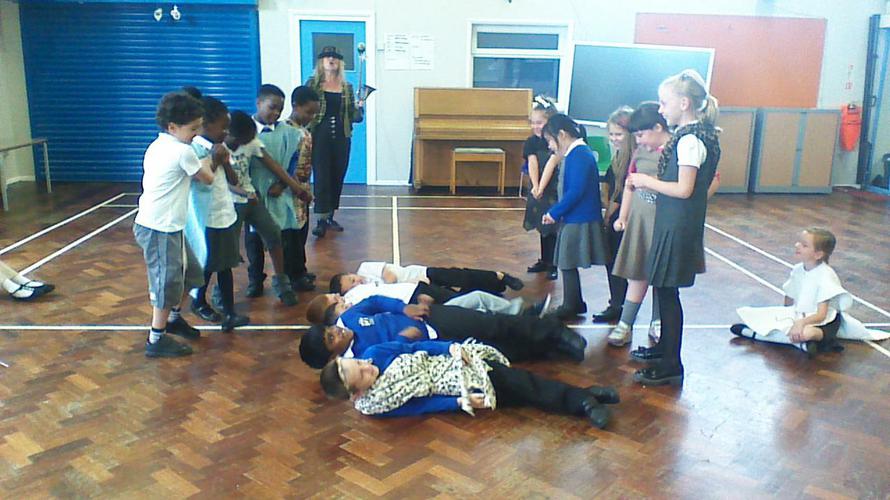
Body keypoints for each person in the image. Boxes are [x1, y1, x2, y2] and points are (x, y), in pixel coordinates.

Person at [626, 69, 720, 385]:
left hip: (677, 224)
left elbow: (684, 189)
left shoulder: (691, 140)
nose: (661, 109)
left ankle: (671, 363)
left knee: (668, 293)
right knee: (664, 289)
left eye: (665, 103)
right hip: (675, 221)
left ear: (684, 103)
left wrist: (645, 181)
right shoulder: (695, 134)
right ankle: (664, 349)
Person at [320, 340, 618, 428]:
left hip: (459, 364)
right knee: (523, 394)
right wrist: (459, 403)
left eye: (359, 362)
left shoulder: (375, 352)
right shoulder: (376, 404)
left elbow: (415, 347)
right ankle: (586, 394)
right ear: (358, 393)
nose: (367, 365)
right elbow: (420, 404)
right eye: (362, 374)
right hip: (456, 387)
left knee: (523, 383)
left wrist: (450, 348)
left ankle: (584, 404)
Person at [133, 91, 214, 358]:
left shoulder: (159, 144)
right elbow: (208, 178)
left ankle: (173, 319)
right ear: (172, 127)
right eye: (192, 129)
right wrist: (211, 156)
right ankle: (156, 340)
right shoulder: (182, 151)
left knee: (192, 273)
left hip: (170, 227)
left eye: (199, 127)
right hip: (159, 228)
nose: (196, 133)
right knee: (166, 283)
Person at [299, 294, 587, 368]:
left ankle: (555, 331)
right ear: (333, 356)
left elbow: (375, 301)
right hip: (438, 349)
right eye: (332, 339)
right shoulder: (361, 358)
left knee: (495, 324)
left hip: (434, 319)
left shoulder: (350, 317)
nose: (337, 332)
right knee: (502, 352)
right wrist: (402, 340)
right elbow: (393, 363)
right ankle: (552, 349)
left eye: (331, 329)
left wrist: (404, 308)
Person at [732, 228, 890, 354]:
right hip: (800, 316)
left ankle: (753, 334)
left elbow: (821, 315)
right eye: (798, 242)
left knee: (806, 333)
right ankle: (802, 345)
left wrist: (800, 323)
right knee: (757, 316)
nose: (797, 245)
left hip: (823, 322)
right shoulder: (797, 269)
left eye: (804, 245)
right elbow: (789, 295)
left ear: (818, 254)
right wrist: (784, 317)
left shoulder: (825, 275)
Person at [184, 95, 250, 332]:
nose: (226, 132)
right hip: (207, 218)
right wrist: (214, 160)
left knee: (225, 263)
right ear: (205, 125)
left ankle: (228, 311)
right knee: (209, 264)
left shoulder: (219, 148)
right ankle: (200, 301)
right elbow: (200, 180)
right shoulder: (193, 149)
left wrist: (224, 160)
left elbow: (233, 180)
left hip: (225, 214)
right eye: (223, 127)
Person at [245, 84, 316, 299]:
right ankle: (255, 279)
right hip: (254, 193)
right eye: (272, 107)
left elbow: (292, 159)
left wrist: (283, 185)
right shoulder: (246, 131)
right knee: (254, 239)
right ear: (259, 103)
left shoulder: (289, 132)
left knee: (283, 237)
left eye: (279, 109)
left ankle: (284, 280)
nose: (276, 113)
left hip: (280, 191)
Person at [607, 103, 669, 347]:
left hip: (663, 222)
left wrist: (649, 181)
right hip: (640, 221)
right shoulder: (639, 152)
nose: (639, 141)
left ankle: (658, 320)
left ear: (658, 127)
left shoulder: (674, 152)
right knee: (637, 273)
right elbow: (630, 185)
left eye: (641, 135)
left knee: (661, 275)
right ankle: (626, 323)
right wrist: (623, 217)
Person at [222, 111, 300, 306]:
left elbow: (274, 166)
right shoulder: (219, 149)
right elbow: (220, 182)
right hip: (229, 202)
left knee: (273, 234)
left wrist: (295, 188)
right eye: (245, 140)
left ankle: (282, 284)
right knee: (228, 250)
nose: (249, 143)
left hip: (251, 199)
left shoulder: (251, 142)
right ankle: (221, 293)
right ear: (231, 134)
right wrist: (241, 192)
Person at [541, 114, 609, 320]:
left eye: (550, 140)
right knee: (566, 260)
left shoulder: (580, 154)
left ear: (562, 135)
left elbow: (576, 191)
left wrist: (554, 212)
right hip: (574, 216)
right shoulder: (575, 153)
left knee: (566, 260)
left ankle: (571, 304)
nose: (550, 146)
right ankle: (575, 302)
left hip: (580, 217)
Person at [306, 46, 364, 237]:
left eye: (335, 57)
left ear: (340, 63)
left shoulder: (347, 87)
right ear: (321, 62)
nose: (331, 60)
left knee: (337, 175)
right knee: (322, 176)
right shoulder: (312, 84)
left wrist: (359, 107)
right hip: (319, 135)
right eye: (327, 57)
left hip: (341, 136)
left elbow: (354, 117)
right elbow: (304, 108)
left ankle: (330, 215)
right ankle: (321, 219)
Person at [591, 106, 634, 324]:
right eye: (611, 134)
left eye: (619, 134)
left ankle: (620, 305)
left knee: (618, 261)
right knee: (613, 260)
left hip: (626, 216)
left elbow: (624, 191)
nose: (613, 139)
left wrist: (610, 214)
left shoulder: (634, 157)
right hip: (616, 212)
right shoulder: (618, 156)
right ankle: (618, 301)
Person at [328, 272, 530, 316]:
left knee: (465, 301)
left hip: (416, 291)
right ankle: (514, 312)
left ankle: (511, 311)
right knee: (467, 301)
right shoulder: (354, 300)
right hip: (414, 301)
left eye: (353, 277)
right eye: (351, 282)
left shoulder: (366, 286)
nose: (357, 280)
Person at [282, 85, 322, 289]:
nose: (311, 117)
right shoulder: (285, 131)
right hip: (289, 190)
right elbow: (284, 163)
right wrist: (295, 186)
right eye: (308, 112)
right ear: (295, 105)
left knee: (301, 232)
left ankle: (300, 269)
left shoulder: (305, 131)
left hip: (303, 189)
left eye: (314, 114)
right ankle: (292, 276)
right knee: (290, 235)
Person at [522, 95, 560, 281]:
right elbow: (532, 162)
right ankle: (544, 260)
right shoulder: (532, 141)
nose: (535, 126)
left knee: (552, 226)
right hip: (538, 186)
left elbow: (552, 162)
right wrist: (536, 186)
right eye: (533, 123)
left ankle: (553, 264)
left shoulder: (557, 140)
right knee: (541, 223)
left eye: (539, 123)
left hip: (553, 186)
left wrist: (542, 187)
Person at [342, 261, 524, 295]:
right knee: (458, 296)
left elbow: (389, 275)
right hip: (417, 290)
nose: (357, 282)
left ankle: (500, 276)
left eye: (352, 279)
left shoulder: (365, 268)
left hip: (421, 273)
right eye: (353, 286)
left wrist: (385, 287)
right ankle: (495, 290)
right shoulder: (364, 292)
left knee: (462, 277)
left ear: (350, 273)